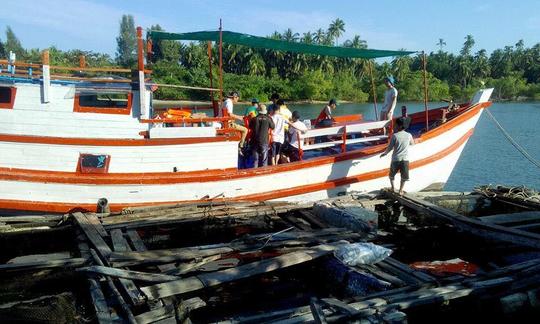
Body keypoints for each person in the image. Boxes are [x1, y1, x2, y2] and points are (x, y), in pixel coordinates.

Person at [380, 117, 415, 195]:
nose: (395, 126)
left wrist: (384, 153)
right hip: (405, 159)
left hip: (395, 159)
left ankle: (392, 188)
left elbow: (390, 147)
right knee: (404, 176)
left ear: (399, 126)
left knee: (391, 175)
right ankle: (400, 190)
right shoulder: (409, 135)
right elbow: (412, 143)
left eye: (396, 125)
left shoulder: (394, 136)